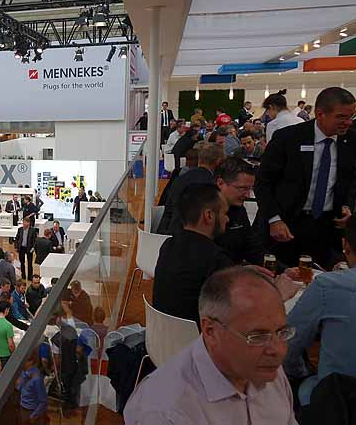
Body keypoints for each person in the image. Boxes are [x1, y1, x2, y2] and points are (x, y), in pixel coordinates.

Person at [124, 267, 298, 424]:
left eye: (282, 332)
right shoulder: (165, 413)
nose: (279, 350)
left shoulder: (265, 367)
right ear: (210, 331)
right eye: (257, 337)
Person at [255, 87, 356, 269]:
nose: (348, 122)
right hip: (286, 224)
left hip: (327, 227)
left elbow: (351, 180)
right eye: (341, 117)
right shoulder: (288, 138)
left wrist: (347, 206)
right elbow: (263, 182)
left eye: (350, 116)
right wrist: (273, 219)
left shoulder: (353, 140)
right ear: (320, 114)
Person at [284, 207, 356, 406]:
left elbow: (288, 346)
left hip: (336, 405)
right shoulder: (329, 285)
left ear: (345, 246)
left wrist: (302, 374)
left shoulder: (327, 285)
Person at [153, 184, 234, 324]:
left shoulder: (167, 246)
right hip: (197, 337)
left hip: (159, 333)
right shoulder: (216, 260)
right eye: (224, 213)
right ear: (209, 216)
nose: (227, 219)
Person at [156, 142, 226, 234]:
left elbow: (169, 208)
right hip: (188, 235)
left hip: (167, 231)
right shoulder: (211, 185)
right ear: (218, 162)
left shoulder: (180, 178)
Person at [19, 350, 48, 424]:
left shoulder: (37, 379)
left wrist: (33, 416)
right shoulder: (23, 372)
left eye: (23, 361)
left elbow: (43, 400)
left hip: (32, 411)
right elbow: (20, 388)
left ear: (31, 362)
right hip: (23, 407)